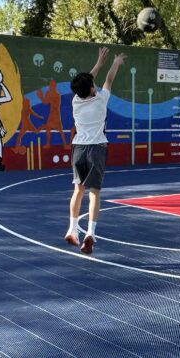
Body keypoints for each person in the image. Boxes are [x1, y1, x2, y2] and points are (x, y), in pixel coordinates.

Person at [65, 47, 126, 255]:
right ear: (92, 89)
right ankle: (90, 233)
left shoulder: (75, 101)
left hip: (79, 149)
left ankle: (72, 229)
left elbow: (87, 81)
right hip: (97, 149)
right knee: (94, 194)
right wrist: (114, 63)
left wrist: (98, 63)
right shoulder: (101, 100)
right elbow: (109, 80)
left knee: (78, 191)